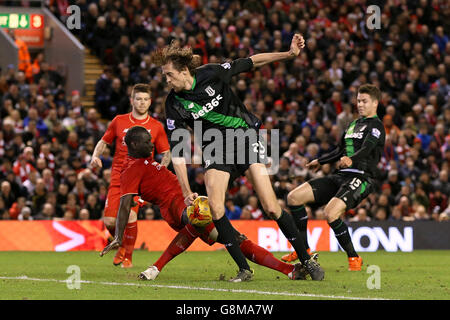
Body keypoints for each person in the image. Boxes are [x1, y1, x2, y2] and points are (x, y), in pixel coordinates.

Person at [151, 34, 324, 281]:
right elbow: (178, 150)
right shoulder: (173, 104)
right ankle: (244, 269)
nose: (165, 80)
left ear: (183, 71)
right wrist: (186, 188)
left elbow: (252, 62)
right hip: (215, 149)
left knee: (272, 207)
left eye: (168, 74)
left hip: (245, 138)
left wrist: (288, 54)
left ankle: (307, 261)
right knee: (216, 207)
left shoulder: (212, 73)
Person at [100, 126, 309, 282]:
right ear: (135, 145)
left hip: (185, 200)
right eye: (147, 141)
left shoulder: (144, 158)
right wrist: (118, 236)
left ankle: (289, 271)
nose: (151, 144)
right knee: (206, 218)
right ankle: (285, 270)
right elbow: (125, 204)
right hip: (176, 207)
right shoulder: (129, 171)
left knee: (236, 240)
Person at [284, 84, 386, 271]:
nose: (360, 104)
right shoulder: (354, 124)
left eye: (364, 101)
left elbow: (367, 148)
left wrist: (351, 159)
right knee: (293, 197)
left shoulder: (376, 126)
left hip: (362, 178)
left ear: (375, 103)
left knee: (330, 213)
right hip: (341, 176)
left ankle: (354, 258)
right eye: (358, 100)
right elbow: (340, 150)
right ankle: (303, 250)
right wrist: (320, 161)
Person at [90, 83, 171, 268]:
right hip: (119, 175)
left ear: (150, 102)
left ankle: (128, 256)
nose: (142, 103)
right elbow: (103, 141)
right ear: (131, 100)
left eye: (145, 99)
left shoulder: (156, 126)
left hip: (140, 177)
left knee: (131, 217)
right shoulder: (119, 121)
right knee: (110, 221)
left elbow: (166, 153)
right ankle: (122, 244)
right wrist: (95, 156)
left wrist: (160, 169)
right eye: (138, 99)